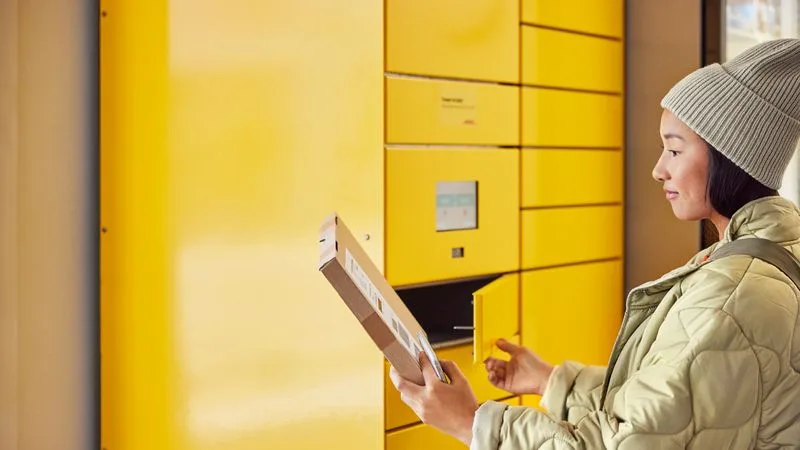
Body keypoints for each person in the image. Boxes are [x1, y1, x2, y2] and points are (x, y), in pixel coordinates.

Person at [389, 38, 800, 449]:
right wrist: (553, 382)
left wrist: (471, 421)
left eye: (675, 150)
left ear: (731, 159)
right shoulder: (769, 258)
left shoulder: (729, 296)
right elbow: (678, 407)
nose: (659, 170)